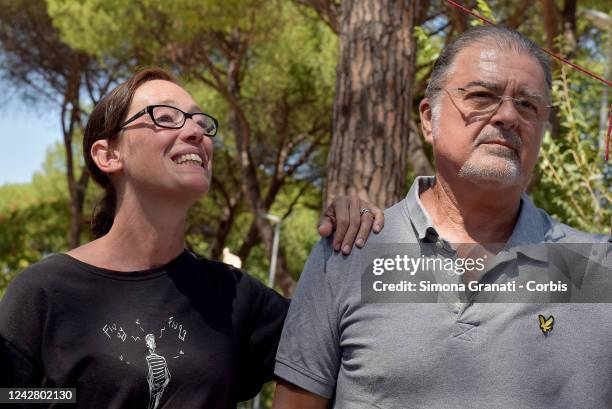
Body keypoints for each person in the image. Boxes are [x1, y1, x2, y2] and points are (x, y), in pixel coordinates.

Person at [0, 67, 384, 408]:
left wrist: (362, 229)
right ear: (108, 155)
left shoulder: (236, 297)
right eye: (165, 117)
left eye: (201, 122)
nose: (195, 131)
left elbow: (355, 341)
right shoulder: (43, 291)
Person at [272, 25, 612, 409]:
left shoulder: (599, 270)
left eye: (528, 105)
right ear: (428, 119)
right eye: (482, 96)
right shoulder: (350, 252)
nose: (507, 116)